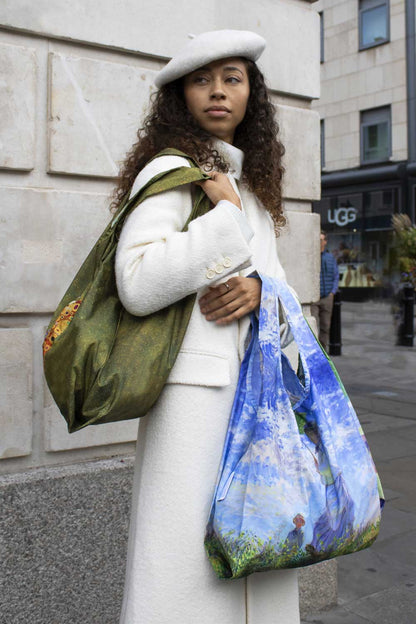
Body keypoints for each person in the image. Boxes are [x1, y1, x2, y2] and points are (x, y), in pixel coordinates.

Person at [114, 30, 300, 624]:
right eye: (201, 80)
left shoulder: (250, 183)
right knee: (182, 575)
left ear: (253, 95)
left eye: (232, 78)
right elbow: (137, 283)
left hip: (257, 398)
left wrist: (261, 289)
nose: (217, 92)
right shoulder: (172, 171)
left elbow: (282, 293)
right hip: (193, 404)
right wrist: (225, 220)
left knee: (260, 560)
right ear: (181, 96)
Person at [311, 230, 339, 352]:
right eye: (318, 240)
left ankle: (323, 353)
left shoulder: (330, 257)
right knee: (313, 326)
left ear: (326, 242)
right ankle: (314, 353)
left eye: (322, 240)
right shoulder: (311, 256)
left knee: (325, 326)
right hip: (315, 297)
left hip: (327, 296)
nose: (320, 242)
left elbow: (336, 275)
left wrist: (333, 292)